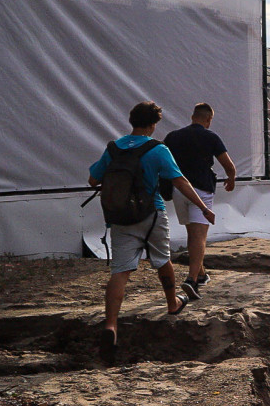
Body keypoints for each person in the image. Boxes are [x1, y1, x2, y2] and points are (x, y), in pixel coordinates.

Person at [88, 100, 215, 361]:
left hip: (120, 216)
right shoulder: (158, 149)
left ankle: (111, 325)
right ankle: (172, 303)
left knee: (120, 271)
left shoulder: (114, 147)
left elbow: (93, 179)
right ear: (153, 124)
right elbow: (179, 181)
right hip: (151, 213)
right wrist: (203, 207)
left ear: (132, 121)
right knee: (162, 259)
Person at [164, 102, 237, 299]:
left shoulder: (173, 137)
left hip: (179, 189)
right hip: (201, 190)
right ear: (208, 119)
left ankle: (201, 274)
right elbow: (228, 164)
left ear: (192, 116)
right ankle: (191, 280)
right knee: (199, 236)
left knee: (192, 234)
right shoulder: (210, 137)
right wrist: (231, 178)